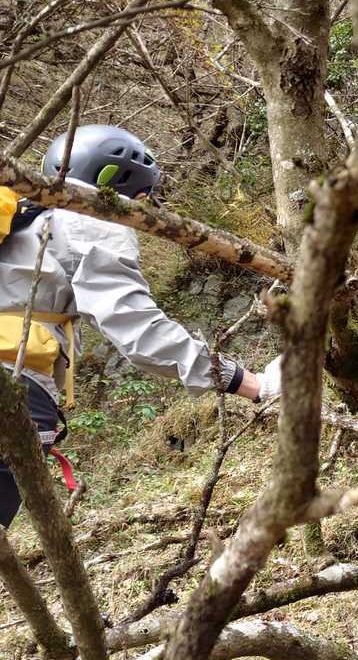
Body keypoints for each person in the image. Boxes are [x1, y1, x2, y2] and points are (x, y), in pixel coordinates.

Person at [0, 124, 279, 528]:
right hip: (15, 384)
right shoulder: (90, 219)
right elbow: (137, 327)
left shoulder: (20, 217)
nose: (142, 212)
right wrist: (250, 384)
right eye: (142, 200)